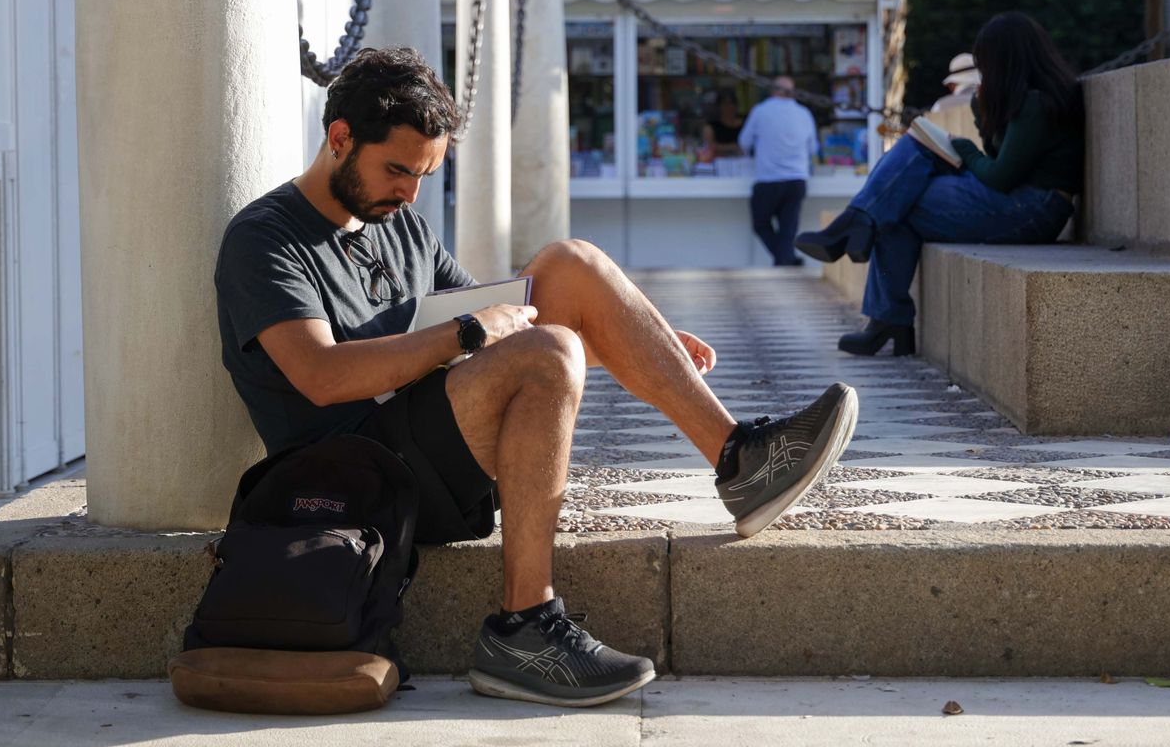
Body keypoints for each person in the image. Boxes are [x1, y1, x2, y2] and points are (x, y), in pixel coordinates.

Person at [213, 47, 858, 709]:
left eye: (424, 175)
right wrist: (468, 333)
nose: (409, 192)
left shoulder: (398, 222)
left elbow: (507, 322)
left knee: (572, 264)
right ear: (340, 139)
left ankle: (738, 458)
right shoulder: (265, 239)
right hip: (349, 482)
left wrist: (633, 343)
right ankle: (524, 626)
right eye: (397, 170)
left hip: (426, 439)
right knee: (546, 349)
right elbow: (319, 374)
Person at [794, 13, 1084, 357]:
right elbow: (1000, 161)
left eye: (987, 63)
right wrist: (983, 113)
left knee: (899, 201)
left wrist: (965, 148)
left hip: (1034, 209)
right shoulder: (1027, 99)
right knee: (906, 174)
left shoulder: (1037, 103)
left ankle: (882, 302)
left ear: (1006, 61)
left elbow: (1000, 175)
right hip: (1020, 203)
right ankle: (873, 277)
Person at [737, 76, 819, 267]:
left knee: (761, 225)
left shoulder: (760, 111)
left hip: (768, 179)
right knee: (788, 230)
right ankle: (787, 259)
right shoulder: (804, 113)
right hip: (797, 179)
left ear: (772, 90)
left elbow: (744, 142)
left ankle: (785, 259)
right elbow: (813, 149)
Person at [700, 89, 745, 159]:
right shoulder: (711, 127)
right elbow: (709, 147)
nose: (729, 107)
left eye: (732, 103)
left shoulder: (746, 123)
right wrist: (734, 146)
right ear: (719, 106)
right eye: (725, 104)